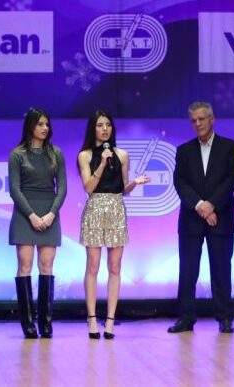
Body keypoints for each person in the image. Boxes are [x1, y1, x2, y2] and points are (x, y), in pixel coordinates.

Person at [168, 101, 234, 334]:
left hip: (221, 216)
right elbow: (180, 182)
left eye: (201, 119)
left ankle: (225, 318)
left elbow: (231, 180)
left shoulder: (229, 147)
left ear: (212, 119)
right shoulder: (184, 150)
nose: (197, 123)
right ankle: (185, 318)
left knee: (221, 270)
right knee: (188, 271)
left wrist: (212, 205)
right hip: (191, 218)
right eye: (193, 120)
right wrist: (200, 205)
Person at [77, 111, 149, 339]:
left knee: (115, 267)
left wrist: (134, 183)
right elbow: (88, 187)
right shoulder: (85, 155)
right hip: (95, 208)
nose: (105, 129)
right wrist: (101, 163)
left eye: (108, 125)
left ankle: (110, 319)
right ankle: (91, 318)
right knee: (93, 265)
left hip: (116, 208)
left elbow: (124, 188)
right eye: (100, 125)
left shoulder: (122, 154)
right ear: (93, 128)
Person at [8, 108, 67, 339]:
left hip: (49, 211)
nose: (45, 128)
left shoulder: (56, 153)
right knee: (25, 266)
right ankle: (28, 324)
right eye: (40, 124)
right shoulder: (17, 155)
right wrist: (31, 215)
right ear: (30, 126)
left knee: (47, 266)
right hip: (25, 214)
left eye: (47, 124)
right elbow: (15, 189)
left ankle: (46, 323)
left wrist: (51, 213)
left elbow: (62, 188)